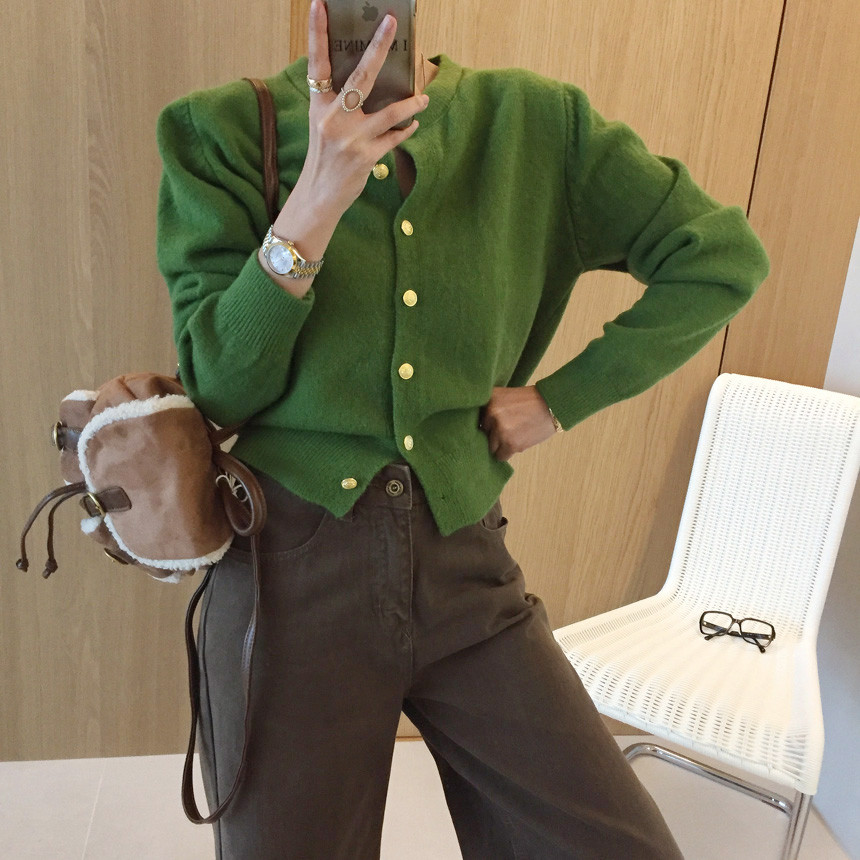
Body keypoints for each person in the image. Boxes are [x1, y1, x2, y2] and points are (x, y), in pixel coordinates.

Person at [155, 1, 769, 857]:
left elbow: (721, 256)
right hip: (286, 578)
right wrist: (314, 202)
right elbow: (219, 385)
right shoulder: (217, 131)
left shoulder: (536, 125)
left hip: (467, 569)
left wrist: (560, 398)